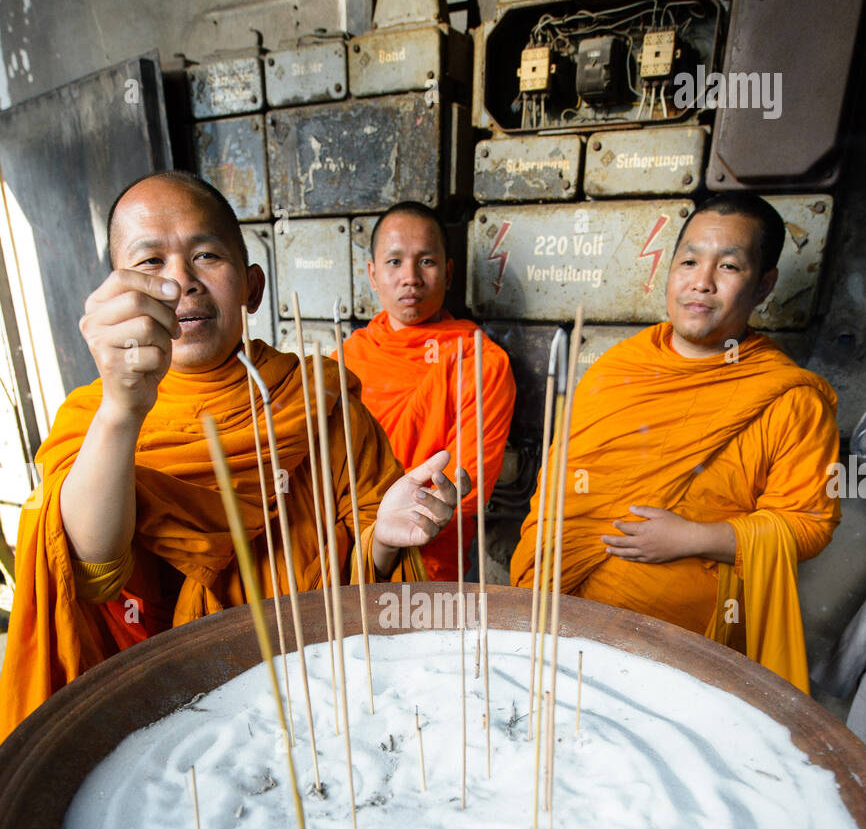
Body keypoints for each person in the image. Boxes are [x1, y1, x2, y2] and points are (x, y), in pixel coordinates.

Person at [0, 172, 466, 741]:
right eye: (150, 263)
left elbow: (365, 562)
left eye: (206, 255)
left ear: (251, 287)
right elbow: (96, 573)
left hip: (319, 696)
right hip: (174, 717)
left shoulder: (316, 399)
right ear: (115, 294)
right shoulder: (95, 419)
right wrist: (123, 410)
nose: (181, 283)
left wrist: (386, 538)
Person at [510, 193, 840, 692]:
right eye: (689, 261)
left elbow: (808, 526)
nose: (701, 281)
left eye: (728, 266)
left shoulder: (789, 398)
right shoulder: (616, 369)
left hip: (689, 659)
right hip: (562, 624)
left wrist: (692, 539)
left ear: (764, 285)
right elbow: (559, 490)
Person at [338, 202, 516, 581]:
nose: (411, 278)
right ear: (372, 274)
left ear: (449, 273)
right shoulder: (349, 357)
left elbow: (466, 486)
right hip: (342, 555)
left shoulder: (479, 360)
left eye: (427, 262)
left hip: (429, 563)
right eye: (394, 262)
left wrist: (391, 526)